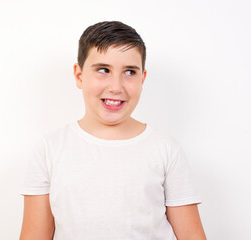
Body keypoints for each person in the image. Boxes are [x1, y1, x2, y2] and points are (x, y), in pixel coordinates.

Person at [19, 21, 206, 240]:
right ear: (79, 76)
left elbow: (192, 235)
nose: (116, 87)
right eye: (103, 70)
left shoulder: (165, 149)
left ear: (142, 78)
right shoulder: (50, 149)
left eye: (129, 72)